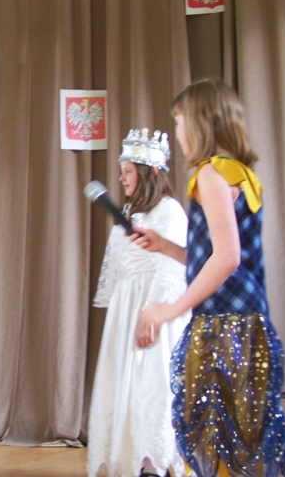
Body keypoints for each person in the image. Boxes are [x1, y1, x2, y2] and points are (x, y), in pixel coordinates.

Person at [133, 79, 285, 477]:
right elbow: (220, 256)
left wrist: (171, 309)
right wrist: (167, 247)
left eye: (179, 121)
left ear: (200, 122)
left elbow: (226, 258)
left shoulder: (209, 174)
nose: (177, 132)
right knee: (242, 434)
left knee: (217, 435)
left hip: (223, 326)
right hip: (248, 320)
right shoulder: (239, 173)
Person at [87, 128, 190, 477]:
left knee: (152, 383)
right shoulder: (129, 212)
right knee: (126, 385)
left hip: (153, 307)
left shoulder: (170, 211)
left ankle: (160, 460)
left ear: (149, 172)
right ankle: (135, 460)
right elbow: (119, 264)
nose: (121, 178)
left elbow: (172, 268)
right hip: (127, 307)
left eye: (128, 171)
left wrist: (153, 313)